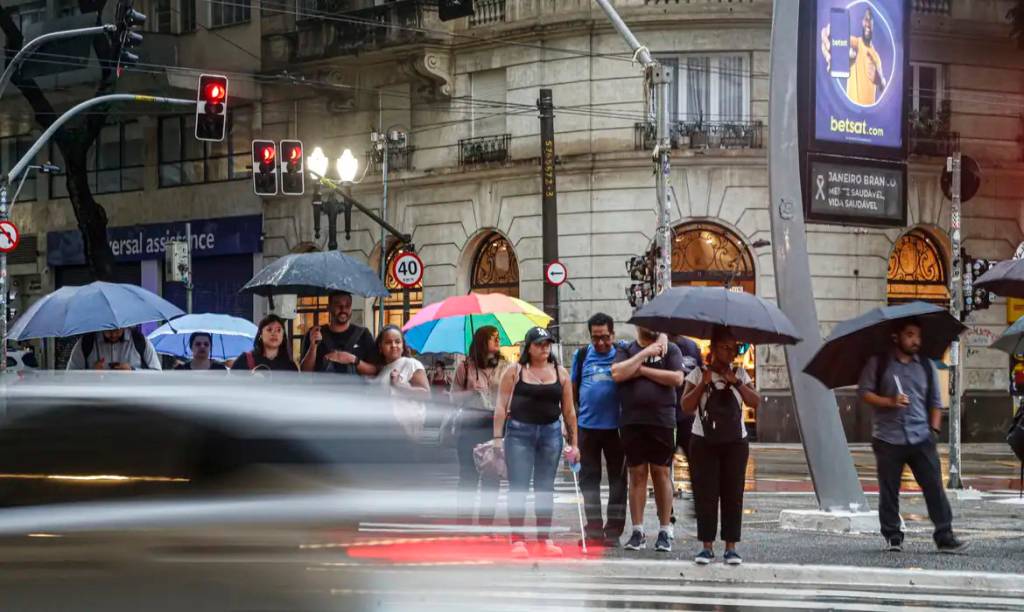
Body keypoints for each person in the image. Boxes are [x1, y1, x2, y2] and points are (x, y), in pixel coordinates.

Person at [858, 319, 969, 554]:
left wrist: (934, 432)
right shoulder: (879, 363)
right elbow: (865, 393)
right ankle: (893, 535)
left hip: (921, 437)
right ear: (897, 337)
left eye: (918, 335)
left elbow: (936, 403)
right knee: (889, 491)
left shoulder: (926, 366)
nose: (915, 340)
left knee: (934, 487)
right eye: (910, 335)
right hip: (888, 438)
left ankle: (944, 535)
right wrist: (890, 401)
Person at [493, 326, 578, 558]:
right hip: (519, 433)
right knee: (518, 486)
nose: (544, 348)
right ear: (528, 348)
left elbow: (569, 411)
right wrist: (497, 438)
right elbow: (500, 406)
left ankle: (544, 538)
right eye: (539, 344)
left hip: (551, 434)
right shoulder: (514, 371)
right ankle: (517, 538)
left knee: (545, 487)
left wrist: (574, 443)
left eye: (547, 344)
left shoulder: (561, 373)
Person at [681, 326, 758, 566]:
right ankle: (706, 546)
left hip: (736, 441)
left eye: (734, 349)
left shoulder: (740, 373)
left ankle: (731, 547)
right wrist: (703, 384)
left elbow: (755, 401)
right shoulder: (697, 373)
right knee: (706, 494)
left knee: (733, 494)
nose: (730, 354)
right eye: (725, 348)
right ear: (713, 349)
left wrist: (736, 382)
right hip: (703, 440)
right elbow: (685, 406)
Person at [611, 326, 683, 553]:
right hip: (632, 420)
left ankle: (664, 530)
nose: (652, 326)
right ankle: (638, 531)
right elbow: (618, 373)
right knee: (637, 473)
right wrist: (644, 354)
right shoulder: (626, 349)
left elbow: (676, 378)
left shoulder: (670, 349)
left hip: (662, 420)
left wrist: (641, 370)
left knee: (661, 472)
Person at [571, 312, 627, 548]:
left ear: (613, 334)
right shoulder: (582, 355)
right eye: (596, 338)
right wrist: (571, 424)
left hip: (617, 429)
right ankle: (594, 529)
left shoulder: (624, 352)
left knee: (618, 481)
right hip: (587, 428)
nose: (601, 343)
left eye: (605, 337)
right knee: (588, 481)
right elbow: (572, 389)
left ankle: (613, 531)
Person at [450, 325, 507, 527]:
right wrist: (468, 393)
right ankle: (463, 522)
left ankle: (486, 524)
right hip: (470, 427)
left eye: (498, 337)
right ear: (482, 341)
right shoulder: (465, 368)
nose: (497, 341)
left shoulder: (505, 367)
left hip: (495, 427)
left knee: (492, 477)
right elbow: (453, 399)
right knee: (468, 476)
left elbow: (512, 396)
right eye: (493, 338)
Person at [300, 291, 379, 377]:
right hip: (323, 389)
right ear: (329, 307)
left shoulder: (363, 334)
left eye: (347, 305)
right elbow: (305, 372)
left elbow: (374, 370)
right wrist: (313, 347)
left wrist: (353, 359)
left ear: (351, 308)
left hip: (355, 390)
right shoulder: (315, 333)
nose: (343, 309)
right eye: (338, 305)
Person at [821, 8, 886, 105]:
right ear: (862, 22)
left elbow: (883, 85)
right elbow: (834, 36)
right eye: (866, 19)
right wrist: (827, 34)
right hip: (850, 114)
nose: (867, 23)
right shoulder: (855, 42)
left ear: (873, 25)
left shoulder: (876, 56)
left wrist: (879, 80)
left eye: (870, 20)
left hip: (869, 117)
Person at [376, 325, 430, 440]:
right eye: (388, 342)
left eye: (397, 341)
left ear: (403, 345)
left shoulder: (411, 364)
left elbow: (426, 394)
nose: (394, 345)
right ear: (380, 347)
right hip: (386, 431)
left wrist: (399, 386)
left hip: (406, 433)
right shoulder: (383, 370)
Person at [66, 327, 162, 370]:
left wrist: (133, 371)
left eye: (117, 330)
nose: (113, 335)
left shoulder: (140, 341)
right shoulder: (86, 342)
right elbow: (70, 376)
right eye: (108, 330)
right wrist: (90, 374)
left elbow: (157, 373)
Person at [232, 314, 299, 372]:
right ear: (261, 334)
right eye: (269, 329)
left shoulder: (290, 366)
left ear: (283, 336)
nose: (274, 334)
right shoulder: (244, 360)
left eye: (278, 330)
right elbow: (231, 384)